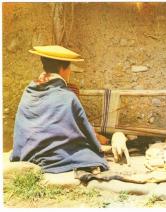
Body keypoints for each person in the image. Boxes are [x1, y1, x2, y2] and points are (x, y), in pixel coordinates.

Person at [10, 45, 109, 175]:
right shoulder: (68, 96)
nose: (70, 72)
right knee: (91, 156)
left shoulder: (28, 91)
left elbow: (21, 126)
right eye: (69, 68)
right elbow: (85, 130)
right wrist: (97, 148)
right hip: (54, 155)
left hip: (26, 153)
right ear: (63, 69)